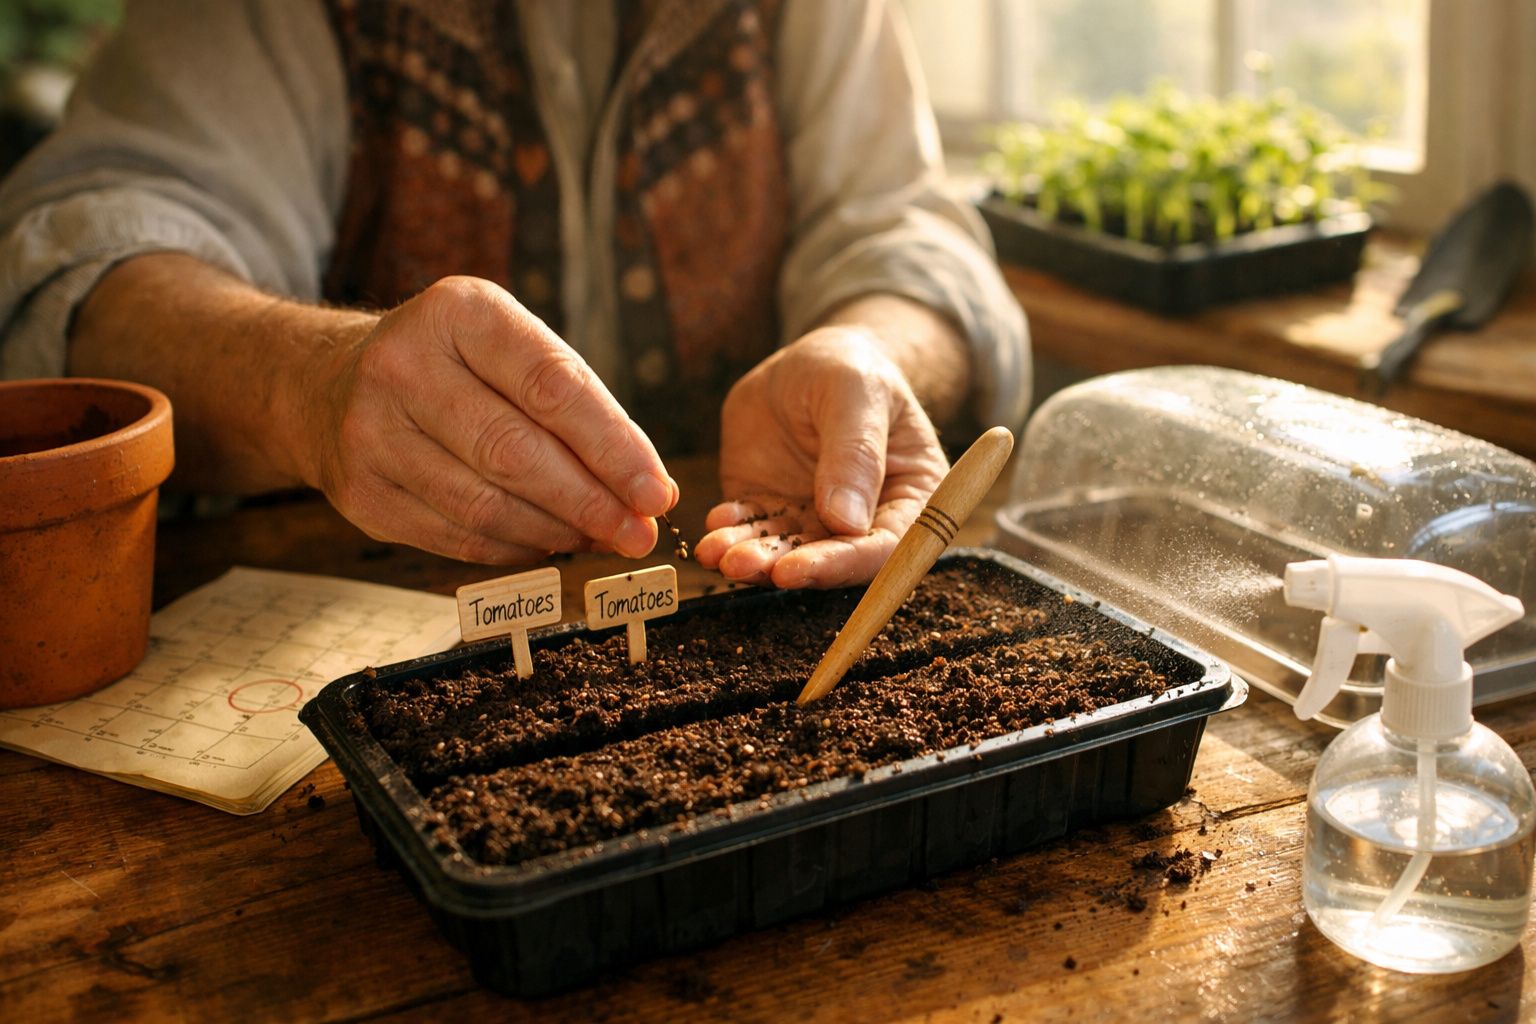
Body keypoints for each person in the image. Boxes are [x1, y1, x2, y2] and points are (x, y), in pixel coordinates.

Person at [0, 0, 1029, 589]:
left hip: (732, 580)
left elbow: (910, 234)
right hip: (351, 625)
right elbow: (71, 257)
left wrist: (876, 352)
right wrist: (306, 384)